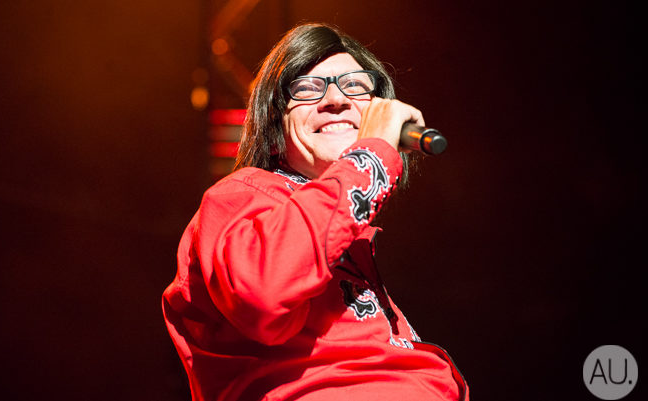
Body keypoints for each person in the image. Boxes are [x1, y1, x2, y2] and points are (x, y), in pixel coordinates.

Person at [162, 23, 469, 401]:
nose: (336, 99)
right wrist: (372, 155)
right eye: (306, 88)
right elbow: (263, 292)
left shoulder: (348, 239)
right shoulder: (240, 197)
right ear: (275, 126)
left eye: (354, 85)